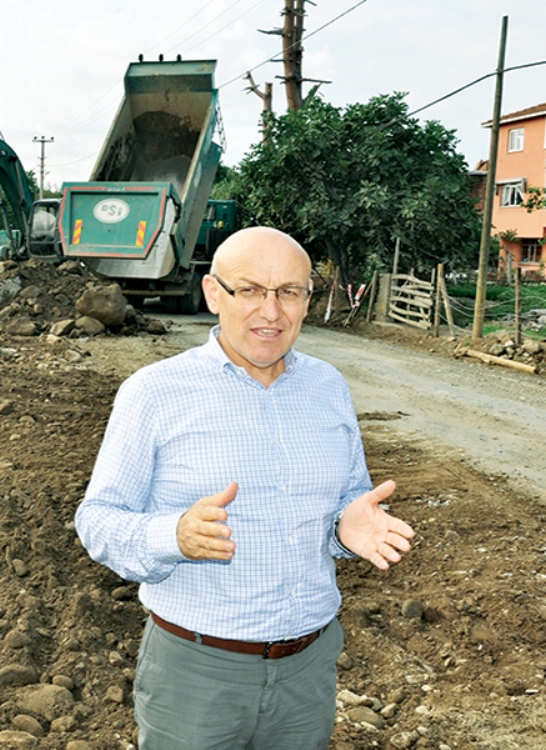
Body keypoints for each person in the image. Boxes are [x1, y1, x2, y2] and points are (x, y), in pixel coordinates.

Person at [75, 226, 415, 750]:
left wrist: (344, 530)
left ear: (308, 299)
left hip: (307, 671)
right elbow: (98, 518)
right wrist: (175, 535)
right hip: (196, 673)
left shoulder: (328, 387)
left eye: (289, 292)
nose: (271, 312)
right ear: (214, 293)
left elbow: (349, 502)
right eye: (251, 290)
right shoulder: (154, 392)